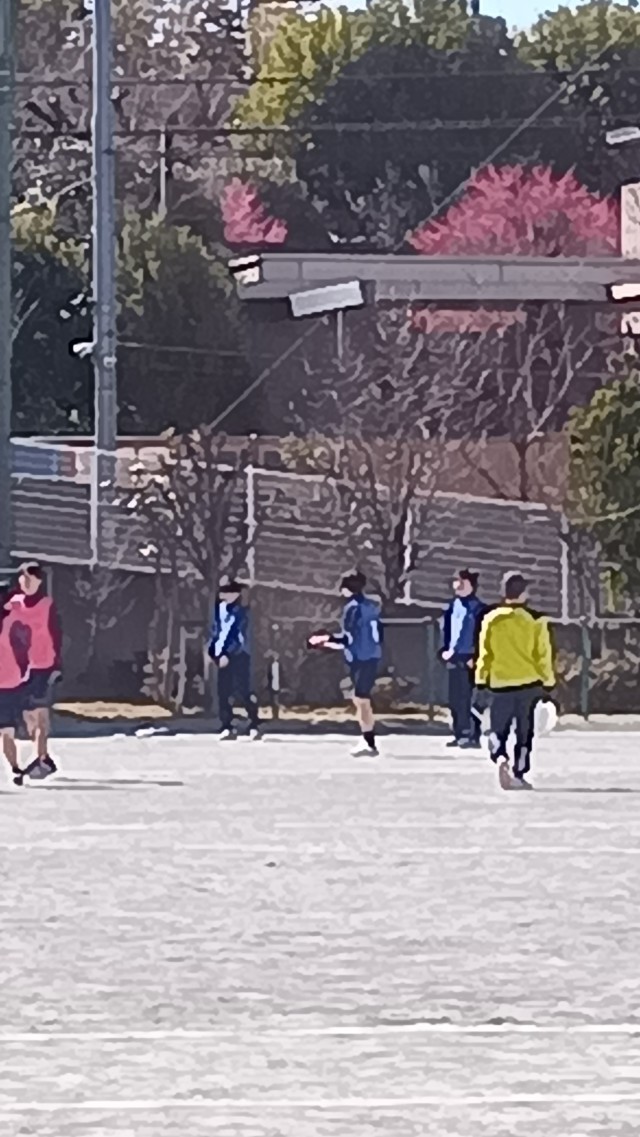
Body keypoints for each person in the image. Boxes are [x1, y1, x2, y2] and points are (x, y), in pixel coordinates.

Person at [475, 570, 555, 791]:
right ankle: (519, 774)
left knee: (497, 728)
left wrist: (481, 679)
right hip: (529, 683)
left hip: (500, 683)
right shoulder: (536, 621)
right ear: (524, 593)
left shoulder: (491, 619)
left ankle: (500, 755)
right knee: (524, 731)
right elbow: (543, 654)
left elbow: (485, 653)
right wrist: (548, 681)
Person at [309, 570, 383, 757]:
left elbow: (347, 639)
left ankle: (368, 741)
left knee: (361, 699)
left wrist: (325, 639)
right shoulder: (371, 606)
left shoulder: (352, 608)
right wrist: (329, 643)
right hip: (372, 656)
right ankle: (368, 739)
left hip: (359, 658)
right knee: (362, 699)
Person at [6, 562, 62, 780]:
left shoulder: (47, 605)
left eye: (31, 579)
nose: (27, 582)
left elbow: (56, 634)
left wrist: (57, 665)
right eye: (23, 578)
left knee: (40, 714)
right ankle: (43, 757)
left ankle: (42, 757)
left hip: (42, 666)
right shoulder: (13, 604)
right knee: (28, 717)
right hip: (20, 668)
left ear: (39, 581)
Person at [208, 578, 261, 741]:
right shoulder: (219, 609)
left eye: (229, 592)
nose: (224, 595)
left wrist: (227, 653)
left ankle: (253, 724)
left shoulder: (242, 612)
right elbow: (216, 631)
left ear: (237, 594)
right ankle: (227, 725)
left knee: (243, 690)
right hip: (221, 655)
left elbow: (237, 636)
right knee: (223, 691)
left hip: (239, 655)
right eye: (223, 591)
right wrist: (213, 651)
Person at [441, 568, 487, 749]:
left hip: (470, 658)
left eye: (463, 582)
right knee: (455, 698)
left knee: (469, 698)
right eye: (457, 581)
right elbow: (447, 630)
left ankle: (472, 734)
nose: (458, 585)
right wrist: (445, 649)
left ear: (472, 585)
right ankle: (459, 732)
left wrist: (476, 656)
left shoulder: (479, 609)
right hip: (454, 657)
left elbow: (481, 635)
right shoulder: (453, 606)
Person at [0, 582, 29, 786]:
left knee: (7, 730)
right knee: (7, 731)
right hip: (11, 681)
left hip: (10, 681)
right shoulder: (12, 620)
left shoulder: (12, 620)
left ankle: (15, 767)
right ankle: (15, 767)